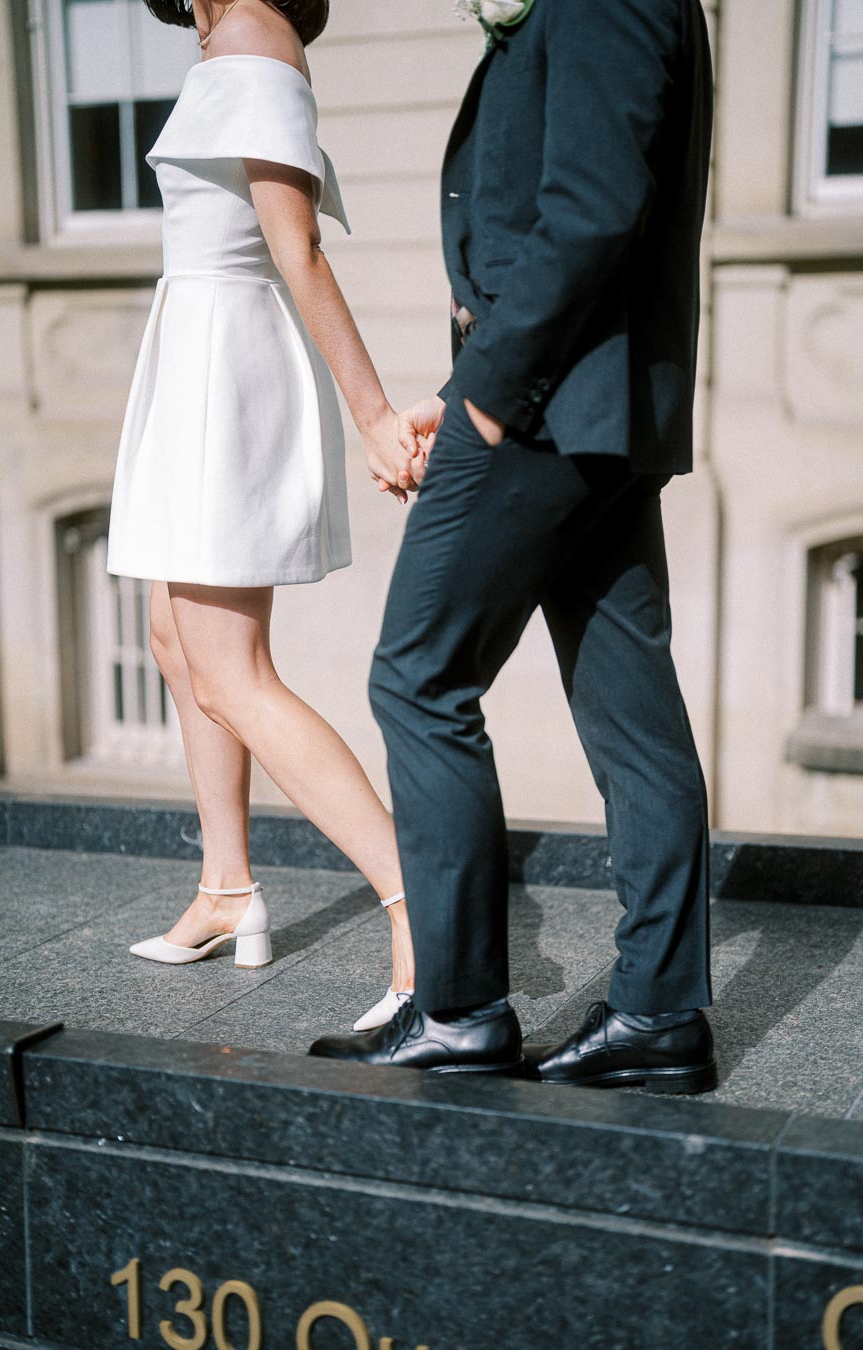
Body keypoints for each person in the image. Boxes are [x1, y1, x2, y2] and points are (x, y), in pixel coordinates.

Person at [309, 0, 719, 1092]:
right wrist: (465, 388)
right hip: (587, 408)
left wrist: (489, 395)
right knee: (631, 715)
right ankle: (662, 1013)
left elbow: (592, 208)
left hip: (547, 408)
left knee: (419, 679)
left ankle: (461, 1010)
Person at [107, 0, 419, 1029]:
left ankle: (423, 911)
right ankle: (228, 888)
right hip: (195, 349)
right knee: (174, 639)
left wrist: (374, 415)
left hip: (224, 367)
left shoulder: (252, 37)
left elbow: (299, 250)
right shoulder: (223, 43)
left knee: (233, 674)